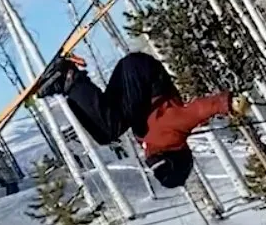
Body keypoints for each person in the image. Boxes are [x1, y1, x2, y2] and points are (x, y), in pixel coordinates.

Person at [37, 51, 250, 189]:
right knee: (113, 127)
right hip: (143, 74)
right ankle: (69, 77)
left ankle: (66, 84)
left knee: (104, 134)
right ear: (172, 158)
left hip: (135, 80)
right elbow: (199, 110)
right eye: (159, 167)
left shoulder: (153, 147)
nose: (152, 164)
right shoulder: (175, 132)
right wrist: (228, 103)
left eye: (154, 170)